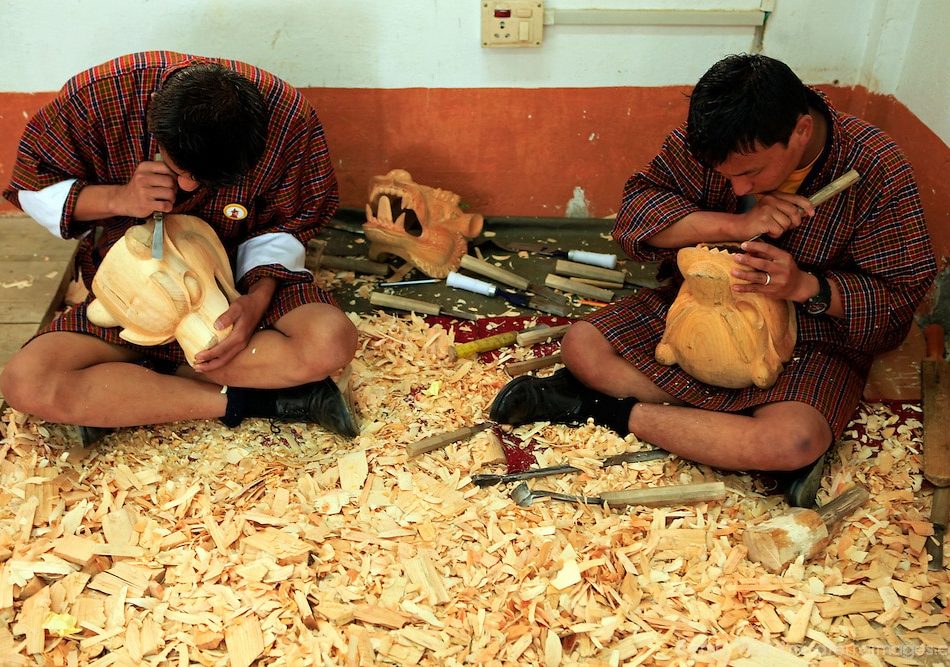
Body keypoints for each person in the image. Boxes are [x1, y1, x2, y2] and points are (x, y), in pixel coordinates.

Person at [489, 53, 936, 506]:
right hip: (700, 306)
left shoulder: (875, 165)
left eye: (751, 173)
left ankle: (602, 407)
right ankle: (723, 429)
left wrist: (806, 286)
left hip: (810, 336)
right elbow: (637, 218)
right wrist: (735, 225)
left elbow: (899, 297)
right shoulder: (712, 140)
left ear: (801, 131)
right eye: (728, 177)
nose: (739, 189)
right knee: (582, 345)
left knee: (793, 441)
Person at [1, 51, 359, 440]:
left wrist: (257, 299)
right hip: (133, 300)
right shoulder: (101, 98)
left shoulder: (288, 121)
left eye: (206, 180)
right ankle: (257, 402)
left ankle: (135, 388)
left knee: (330, 341)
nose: (187, 188)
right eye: (178, 170)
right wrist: (120, 199)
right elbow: (32, 189)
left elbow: (287, 223)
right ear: (153, 119)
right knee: (26, 382)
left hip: (233, 288)